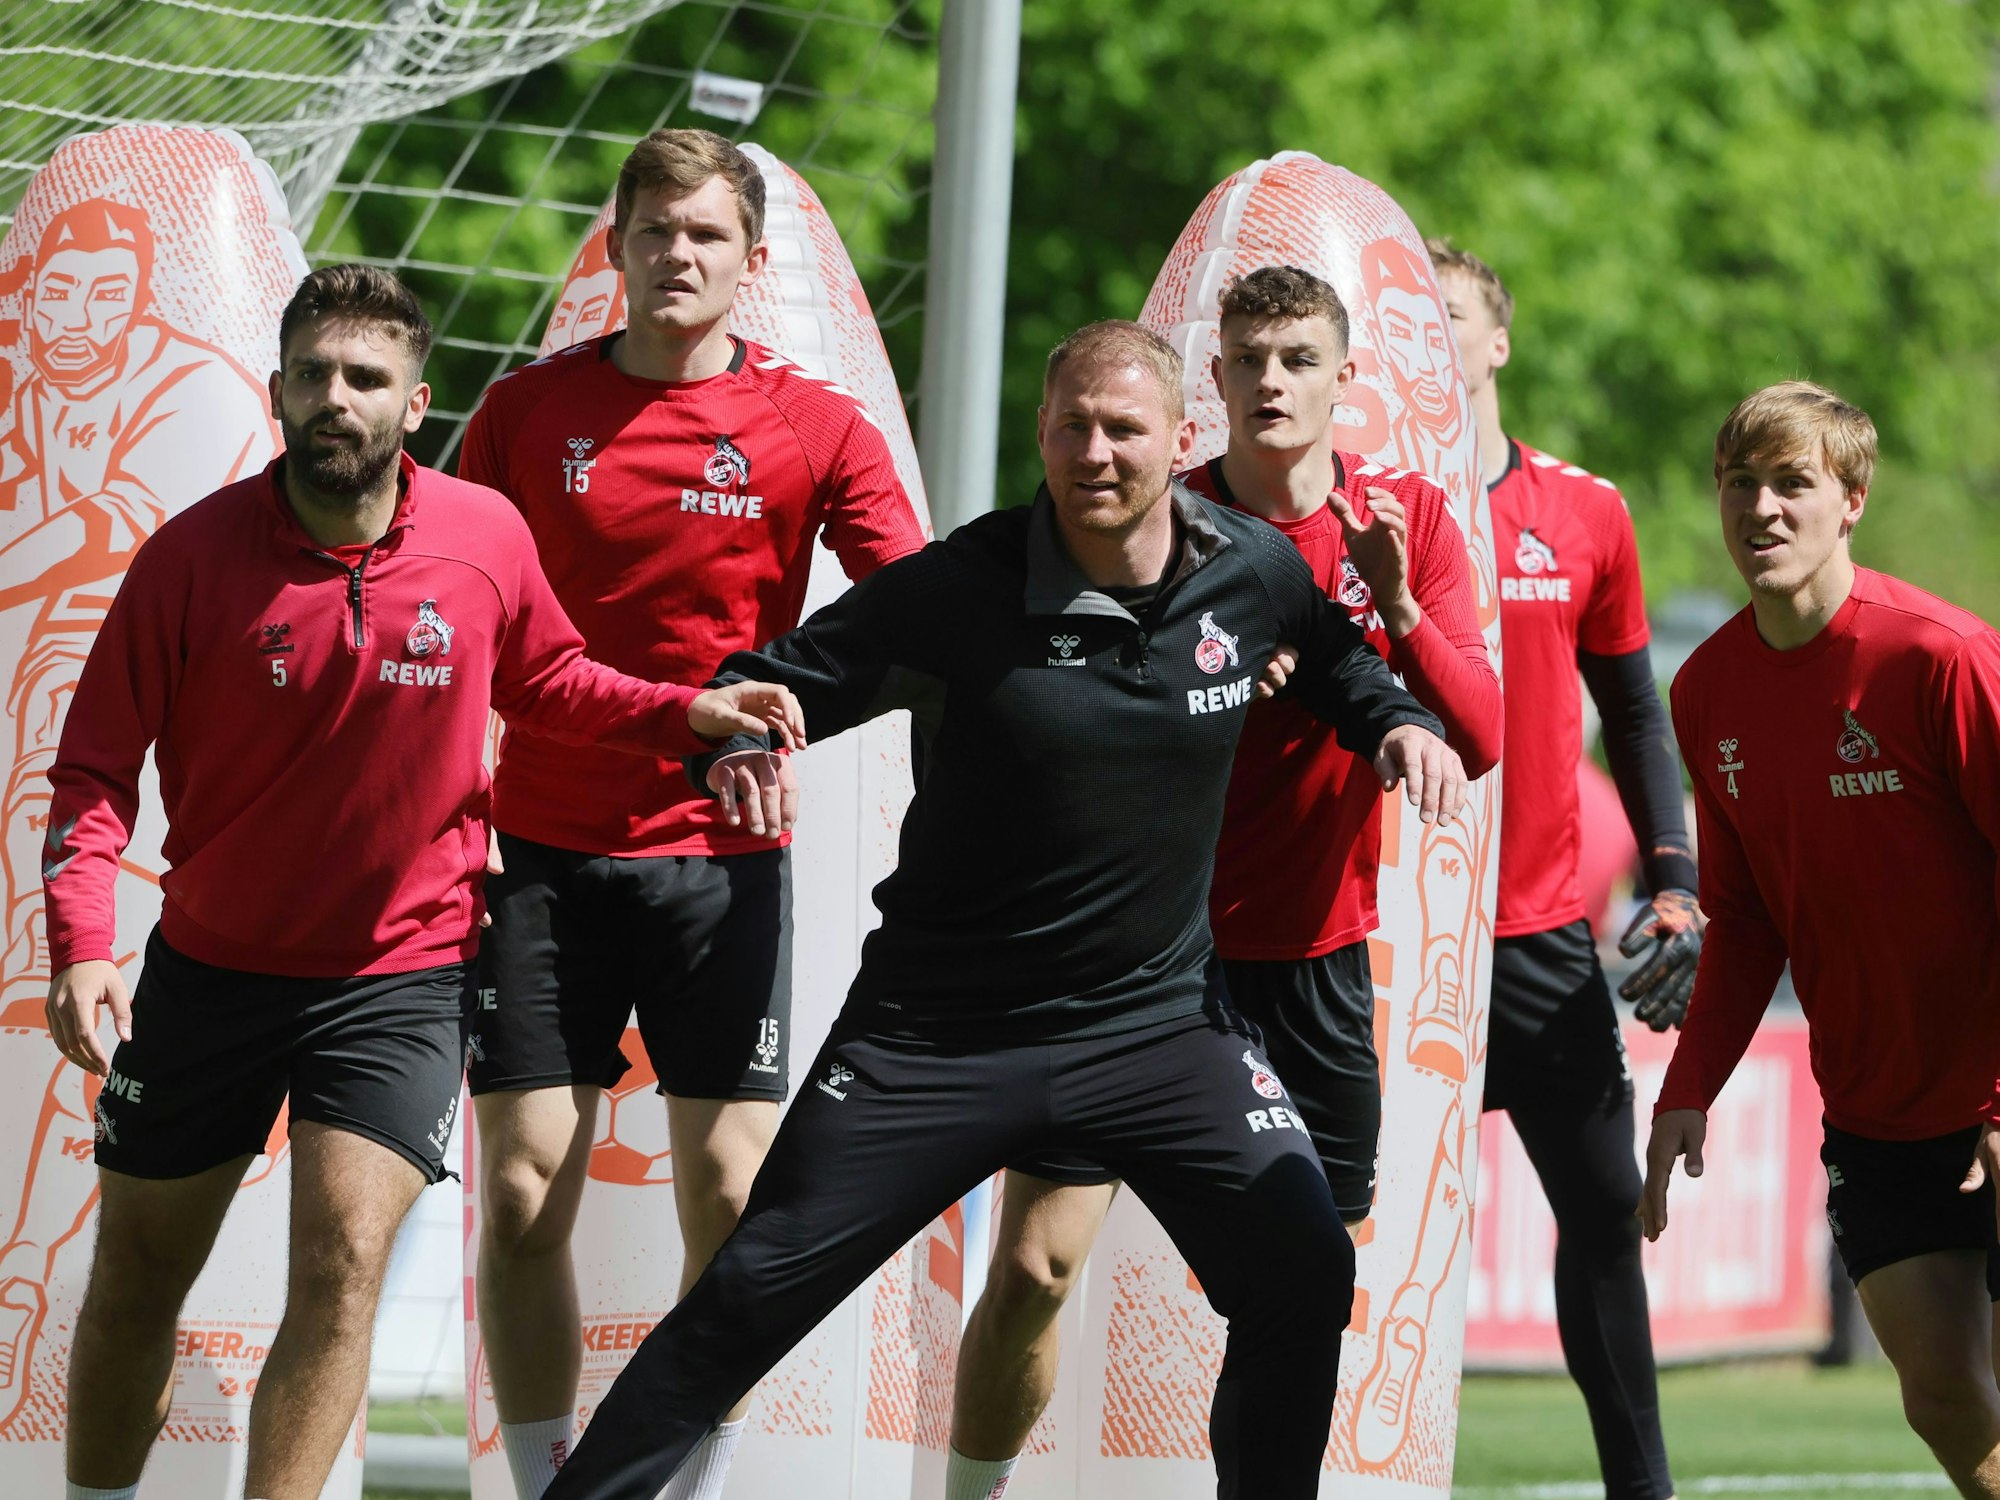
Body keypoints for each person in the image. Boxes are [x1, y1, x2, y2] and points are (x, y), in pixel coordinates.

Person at [542, 319, 1467, 1500]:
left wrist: (1393, 721)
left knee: (1301, 1269)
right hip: (932, 1039)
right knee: (744, 1296)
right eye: (1071, 425)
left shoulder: (1254, 570)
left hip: (1153, 1036)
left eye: (1123, 429)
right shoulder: (954, 590)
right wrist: (727, 737)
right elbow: (774, 686)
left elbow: (1339, 661)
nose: (1094, 451)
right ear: (1039, 432)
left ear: (1177, 439)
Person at [39, 263, 800, 1500]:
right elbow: (89, 774)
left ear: (417, 402)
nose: (335, 397)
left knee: (341, 1263)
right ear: (276, 393)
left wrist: (689, 714)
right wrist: (81, 942)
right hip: (210, 973)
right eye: (312, 375)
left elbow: (553, 682)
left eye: (364, 377)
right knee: (134, 1275)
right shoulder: (186, 559)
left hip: (399, 977)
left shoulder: (484, 536)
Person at [942, 264, 1503, 1500]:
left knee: (1299, 1284)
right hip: (1139, 964)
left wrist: (1399, 606)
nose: (1269, 381)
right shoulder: (1159, 521)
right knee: (1034, 1267)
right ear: (1216, 379)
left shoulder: (1398, 521)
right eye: (1246, 359)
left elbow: (1479, 730)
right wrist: (1188, 700)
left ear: (1343, 380)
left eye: (1297, 358)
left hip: (1312, 966)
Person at [456, 127, 926, 1500]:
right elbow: (461, 602)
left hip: (723, 864)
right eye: (654, 231)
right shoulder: (526, 416)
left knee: (730, 1199)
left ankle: (685, 1475)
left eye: (706, 235)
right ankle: (552, 1480)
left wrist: (782, 709)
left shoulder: (812, 427)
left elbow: (910, 621)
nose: (677, 255)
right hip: (541, 850)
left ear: (752, 263)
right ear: (616, 248)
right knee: (527, 1187)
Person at [1644, 381, 2000, 1499]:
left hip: (1991, 1084)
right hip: (1875, 1106)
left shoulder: (1937, 658)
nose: (1760, 508)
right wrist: (1685, 1085)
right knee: (1939, 1399)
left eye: (1790, 483)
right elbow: (1744, 921)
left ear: (1849, 500)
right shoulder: (1703, 691)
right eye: (1738, 483)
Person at [1429, 238, 1694, 1500]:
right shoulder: (1355, 509)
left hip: (1539, 946)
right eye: (1404, 322)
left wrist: (1675, 873)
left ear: (1496, 343)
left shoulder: (1582, 511)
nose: (1429, 340)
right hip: (1381, 951)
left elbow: (1636, 717)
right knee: (1324, 1248)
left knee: (1599, 1225)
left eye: (1451, 318)